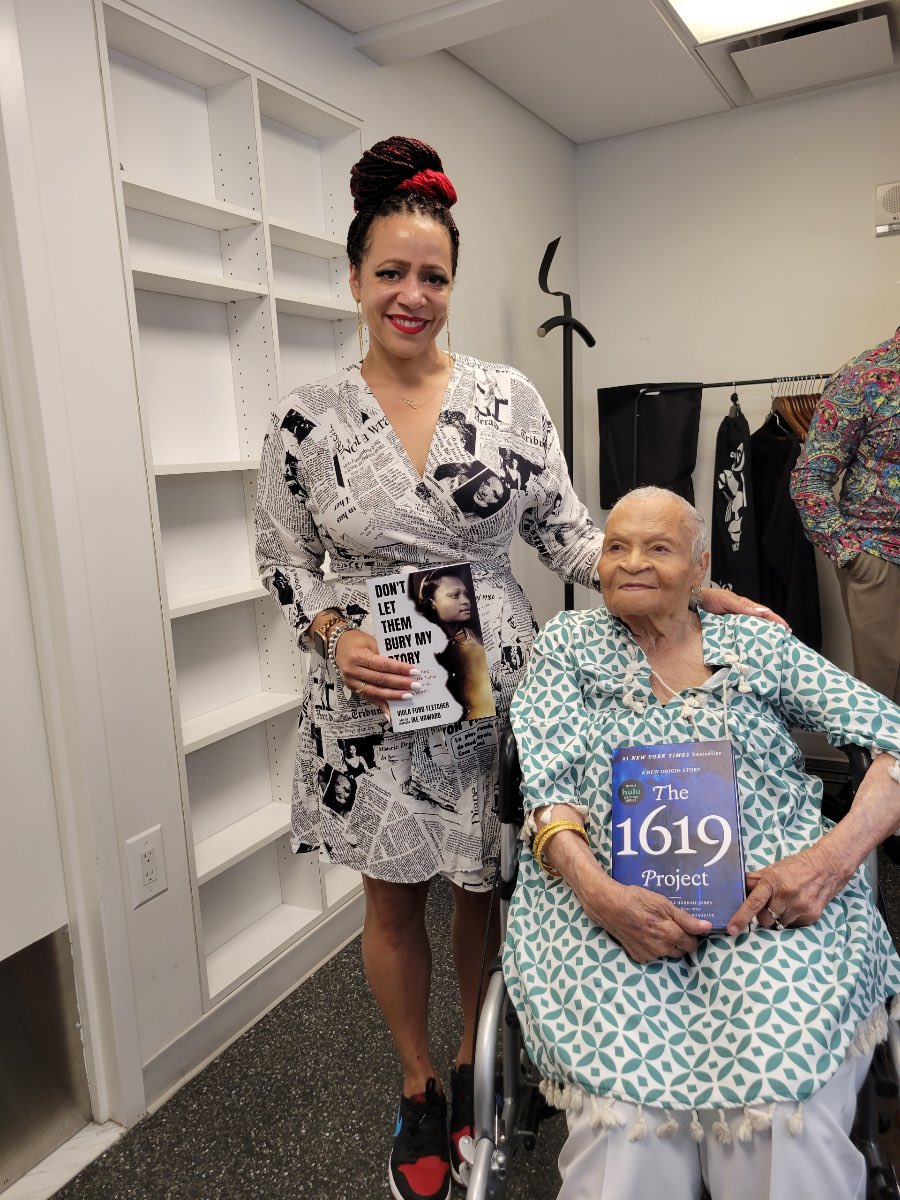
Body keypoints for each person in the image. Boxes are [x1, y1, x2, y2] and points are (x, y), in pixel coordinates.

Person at [254, 137, 782, 1200]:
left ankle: (480, 1062)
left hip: (493, 688)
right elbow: (280, 556)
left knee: (485, 890)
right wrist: (331, 635)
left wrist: (680, 580)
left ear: (452, 283)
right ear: (356, 279)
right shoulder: (305, 419)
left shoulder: (506, 400)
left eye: (434, 276)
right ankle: (418, 1086)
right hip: (375, 696)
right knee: (394, 898)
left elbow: (571, 536)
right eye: (391, 273)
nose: (414, 295)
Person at [504, 486, 900, 1200]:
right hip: (603, 896)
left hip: (774, 893)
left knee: (783, 1104)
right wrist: (598, 893)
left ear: (700, 566)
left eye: (658, 548)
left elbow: (893, 738)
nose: (631, 562)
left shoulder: (756, 642)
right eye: (617, 546)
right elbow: (547, 790)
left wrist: (830, 861)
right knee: (627, 1122)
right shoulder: (567, 644)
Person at [790, 327, 900, 702]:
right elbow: (810, 479)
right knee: (887, 706)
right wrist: (853, 556)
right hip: (882, 557)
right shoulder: (864, 376)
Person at [410, 567, 494, 721]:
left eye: (466, 594)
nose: (466, 601)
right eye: (455, 595)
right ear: (432, 603)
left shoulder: (475, 639)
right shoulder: (423, 647)